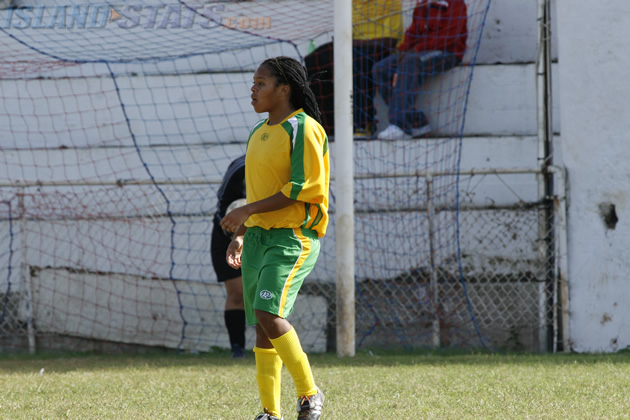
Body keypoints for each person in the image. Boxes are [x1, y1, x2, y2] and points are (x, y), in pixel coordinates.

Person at [221, 56, 329, 420]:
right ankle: (270, 412)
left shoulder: (304, 128)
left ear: (284, 89)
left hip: (292, 239)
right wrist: (242, 233)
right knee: (263, 325)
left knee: (269, 313)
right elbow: (259, 193)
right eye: (253, 83)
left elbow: (300, 189)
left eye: (261, 83)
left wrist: (245, 213)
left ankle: (310, 394)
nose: (253, 89)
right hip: (257, 239)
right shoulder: (258, 131)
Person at [304, 0, 404, 138]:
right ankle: (327, 126)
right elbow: (345, 35)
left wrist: (351, 43)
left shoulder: (390, 2)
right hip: (354, 47)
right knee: (315, 59)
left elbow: (390, 41)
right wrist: (343, 41)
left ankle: (364, 124)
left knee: (356, 60)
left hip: (380, 50)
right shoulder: (351, 3)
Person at [373, 0, 468, 140]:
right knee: (381, 68)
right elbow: (414, 31)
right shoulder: (423, 3)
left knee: (410, 62)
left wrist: (416, 49)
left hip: (447, 52)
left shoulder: (455, 3)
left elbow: (450, 37)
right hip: (421, 51)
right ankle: (417, 122)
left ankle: (401, 125)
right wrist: (403, 51)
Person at [210, 154, 247, 358]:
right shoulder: (241, 167)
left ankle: (269, 349)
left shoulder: (285, 166)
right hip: (228, 235)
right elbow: (223, 205)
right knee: (237, 292)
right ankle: (237, 349)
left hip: (265, 234)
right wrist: (234, 235)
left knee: (264, 295)